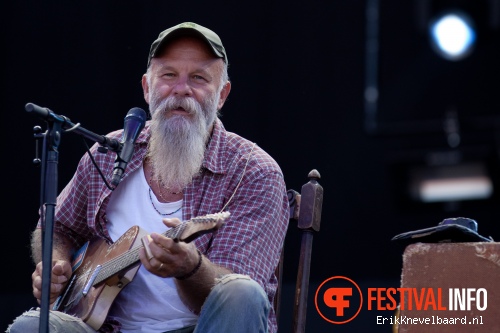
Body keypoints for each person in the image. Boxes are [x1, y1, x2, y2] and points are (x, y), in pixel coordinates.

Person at [7, 22, 289, 333]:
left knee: (240, 292)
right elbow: (57, 226)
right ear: (146, 87)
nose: (181, 89)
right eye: (168, 75)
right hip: (102, 328)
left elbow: (237, 299)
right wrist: (56, 266)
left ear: (222, 95)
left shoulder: (253, 171)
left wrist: (190, 267)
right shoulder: (108, 151)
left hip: (197, 327)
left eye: (198, 78)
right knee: (31, 326)